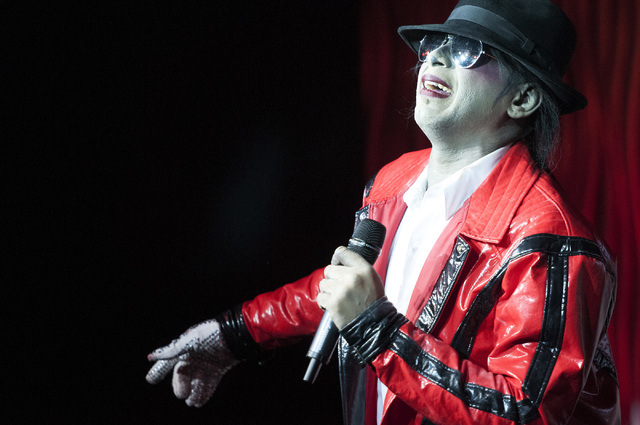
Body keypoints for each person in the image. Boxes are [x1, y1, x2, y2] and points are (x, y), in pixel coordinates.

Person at [146, 0, 621, 423]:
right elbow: (350, 288)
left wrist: (376, 328)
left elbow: (526, 412)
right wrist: (232, 336)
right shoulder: (395, 180)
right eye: (437, 44)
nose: (434, 57)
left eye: (468, 52)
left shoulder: (551, 241)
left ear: (522, 99)